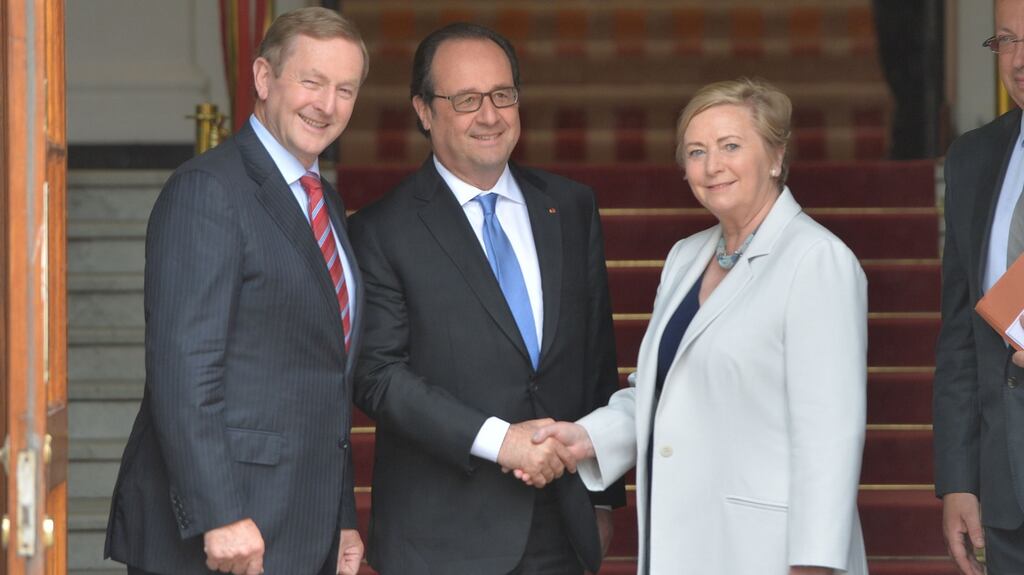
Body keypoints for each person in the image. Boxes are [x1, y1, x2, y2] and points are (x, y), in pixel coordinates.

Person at [527, 78, 869, 575]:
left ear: (775, 157)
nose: (712, 166)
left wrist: (814, 564)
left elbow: (830, 434)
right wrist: (587, 438)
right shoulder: (687, 256)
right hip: (685, 545)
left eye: (731, 146)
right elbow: (662, 391)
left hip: (769, 552)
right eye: (696, 151)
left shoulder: (817, 260)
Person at [348, 22, 624, 575]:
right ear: (424, 111)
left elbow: (596, 358)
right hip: (441, 539)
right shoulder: (381, 229)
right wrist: (500, 442)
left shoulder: (569, 208)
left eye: (503, 95)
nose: (490, 115)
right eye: (467, 99)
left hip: (560, 524)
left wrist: (601, 496)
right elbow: (377, 375)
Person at [104, 7, 368, 574]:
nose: (327, 104)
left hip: (300, 525)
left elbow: (325, 376)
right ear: (263, 78)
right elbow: (184, 368)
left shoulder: (326, 203)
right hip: (224, 532)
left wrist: (340, 514)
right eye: (312, 81)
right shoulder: (208, 190)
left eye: (345, 89)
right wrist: (218, 512)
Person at [935, 1, 1024, 572]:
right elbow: (961, 335)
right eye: (1007, 41)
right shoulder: (974, 157)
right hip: (1006, 493)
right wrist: (959, 479)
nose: (1019, 61)